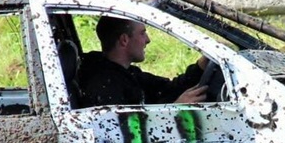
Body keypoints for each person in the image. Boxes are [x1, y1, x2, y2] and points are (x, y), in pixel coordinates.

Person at [78, 16, 208, 107]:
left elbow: (167, 89)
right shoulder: (105, 88)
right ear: (124, 40)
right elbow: (126, 136)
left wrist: (202, 65)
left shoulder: (128, 73)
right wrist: (176, 110)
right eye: (142, 33)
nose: (148, 40)